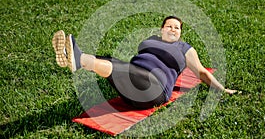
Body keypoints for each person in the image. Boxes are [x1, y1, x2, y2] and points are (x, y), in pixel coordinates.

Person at [52, 16, 237, 109]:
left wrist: (223, 90)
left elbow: (202, 73)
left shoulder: (184, 48)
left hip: (156, 88)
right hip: (136, 79)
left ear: (180, 32)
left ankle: (78, 58)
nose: (173, 29)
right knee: (110, 59)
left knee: (119, 67)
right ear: (162, 29)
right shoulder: (152, 39)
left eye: (177, 27)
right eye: (169, 26)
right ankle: (74, 57)